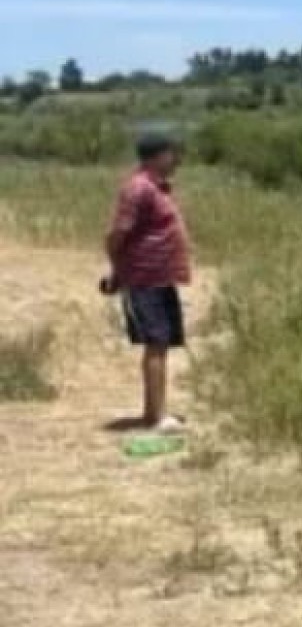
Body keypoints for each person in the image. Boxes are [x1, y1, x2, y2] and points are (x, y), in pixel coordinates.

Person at [102, 132, 192, 433]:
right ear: (158, 156)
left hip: (162, 277)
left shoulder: (159, 188)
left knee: (161, 343)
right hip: (143, 278)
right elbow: (116, 234)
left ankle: (153, 412)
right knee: (155, 343)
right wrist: (117, 271)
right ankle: (156, 418)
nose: (177, 159)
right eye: (172, 153)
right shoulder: (137, 189)